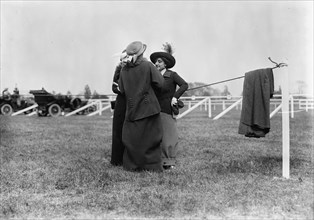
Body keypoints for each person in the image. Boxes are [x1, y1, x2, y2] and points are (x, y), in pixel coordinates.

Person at [118, 41, 165, 172]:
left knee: (133, 139)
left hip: (132, 109)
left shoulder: (123, 69)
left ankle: (132, 165)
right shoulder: (148, 66)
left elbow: (121, 89)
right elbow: (160, 83)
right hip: (149, 108)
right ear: (141, 53)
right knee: (152, 137)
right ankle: (152, 166)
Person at [150, 42, 188, 170]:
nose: (156, 64)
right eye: (155, 62)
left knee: (168, 136)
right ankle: (156, 160)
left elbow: (184, 85)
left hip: (166, 109)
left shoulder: (172, 75)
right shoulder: (153, 76)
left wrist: (175, 97)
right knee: (155, 135)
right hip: (154, 109)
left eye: (159, 62)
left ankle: (168, 161)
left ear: (165, 63)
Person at [110, 51, 128, 166]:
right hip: (122, 101)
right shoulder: (119, 69)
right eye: (123, 58)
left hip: (133, 101)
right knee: (118, 129)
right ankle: (117, 159)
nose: (125, 60)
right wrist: (122, 90)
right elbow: (114, 87)